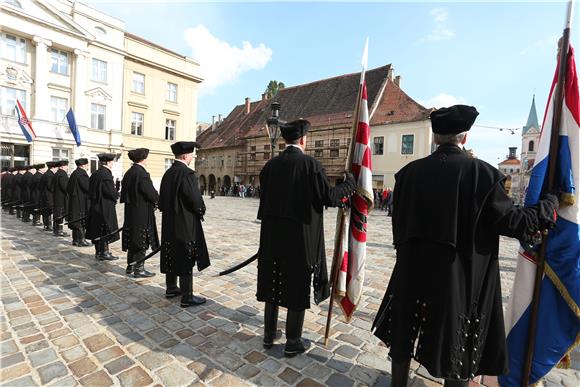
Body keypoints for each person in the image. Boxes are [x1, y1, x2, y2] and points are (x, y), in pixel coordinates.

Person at [371, 105, 559, 386]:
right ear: (465, 137)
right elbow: (512, 222)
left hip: (412, 269)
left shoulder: (408, 173)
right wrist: (549, 205)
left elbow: (398, 221)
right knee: (456, 341)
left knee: (405, 330)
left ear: (436, 137)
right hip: (458, 276)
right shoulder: (481, 174)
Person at [256, 119, 356, 357]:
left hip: (271, 238)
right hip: (300, 239)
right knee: (295, 285)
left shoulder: (269, 166)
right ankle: (293, 341)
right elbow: (329, 197)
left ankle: (269, 335)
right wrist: (349, 185)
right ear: (303, 139)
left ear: (285, 140)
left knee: (273, 283)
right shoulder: (311, 165)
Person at [158, 141, 209, 307]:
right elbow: (194, 199)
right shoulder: (186, 174)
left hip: (169, 222)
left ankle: (171, 287)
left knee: (171, 251)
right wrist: (201, 209)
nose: (192, 158)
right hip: (185, 222)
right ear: (186, 156)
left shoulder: (168, 173)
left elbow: (161, 201)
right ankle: (187, 296)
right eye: (192, 155)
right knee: (186, 253)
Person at [121, 148, 159, 278]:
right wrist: (157, 198)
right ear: (143, 159)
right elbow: (151, 193)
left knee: (132, 237)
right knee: (141, 238)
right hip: (141, 211)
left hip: (130, 211)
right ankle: (139, 268)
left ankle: (130, 266)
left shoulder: (129, 172)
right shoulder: (141, 173)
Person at [86, 153, 119, 261]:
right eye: (112, 162)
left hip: (95, 205)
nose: (112, 164)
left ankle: (98, 252)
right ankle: (104, 252)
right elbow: (110, 191)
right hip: (105, 206)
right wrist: (116, 195)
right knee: (105, 227)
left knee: (97, 228)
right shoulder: (106, 174)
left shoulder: (95, 173)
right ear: (108, 162)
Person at [67, 158, 91, 246]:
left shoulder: (74, 173)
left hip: (74, 201)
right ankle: (81, 240)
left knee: (75, 219)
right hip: (81, 201)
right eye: (87, 164)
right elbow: (87, 188)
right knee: (81, 220)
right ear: (83, 165)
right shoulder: (82, 174)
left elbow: (68, 188)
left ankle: (75, 239)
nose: (88, 166)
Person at [52, 160, 69, 237]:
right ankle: (59, 231)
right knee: (60, 214)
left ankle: (56, 230)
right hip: (61, 197)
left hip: (57, 196)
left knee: (57, 213)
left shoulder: (57, 173)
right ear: (62, 166)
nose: (67, 167)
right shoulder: (62, 174)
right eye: (66, 166)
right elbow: (65, 187)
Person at [39, 161, 58, 231]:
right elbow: (51, 187)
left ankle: (46, 225)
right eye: (56, 168)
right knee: (48, 211)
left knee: (45, 211)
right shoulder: (50, 175)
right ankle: (48, 226)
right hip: (49, 196)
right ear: (52, 168)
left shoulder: (45, 174)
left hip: (44, 195)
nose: (57, 169)